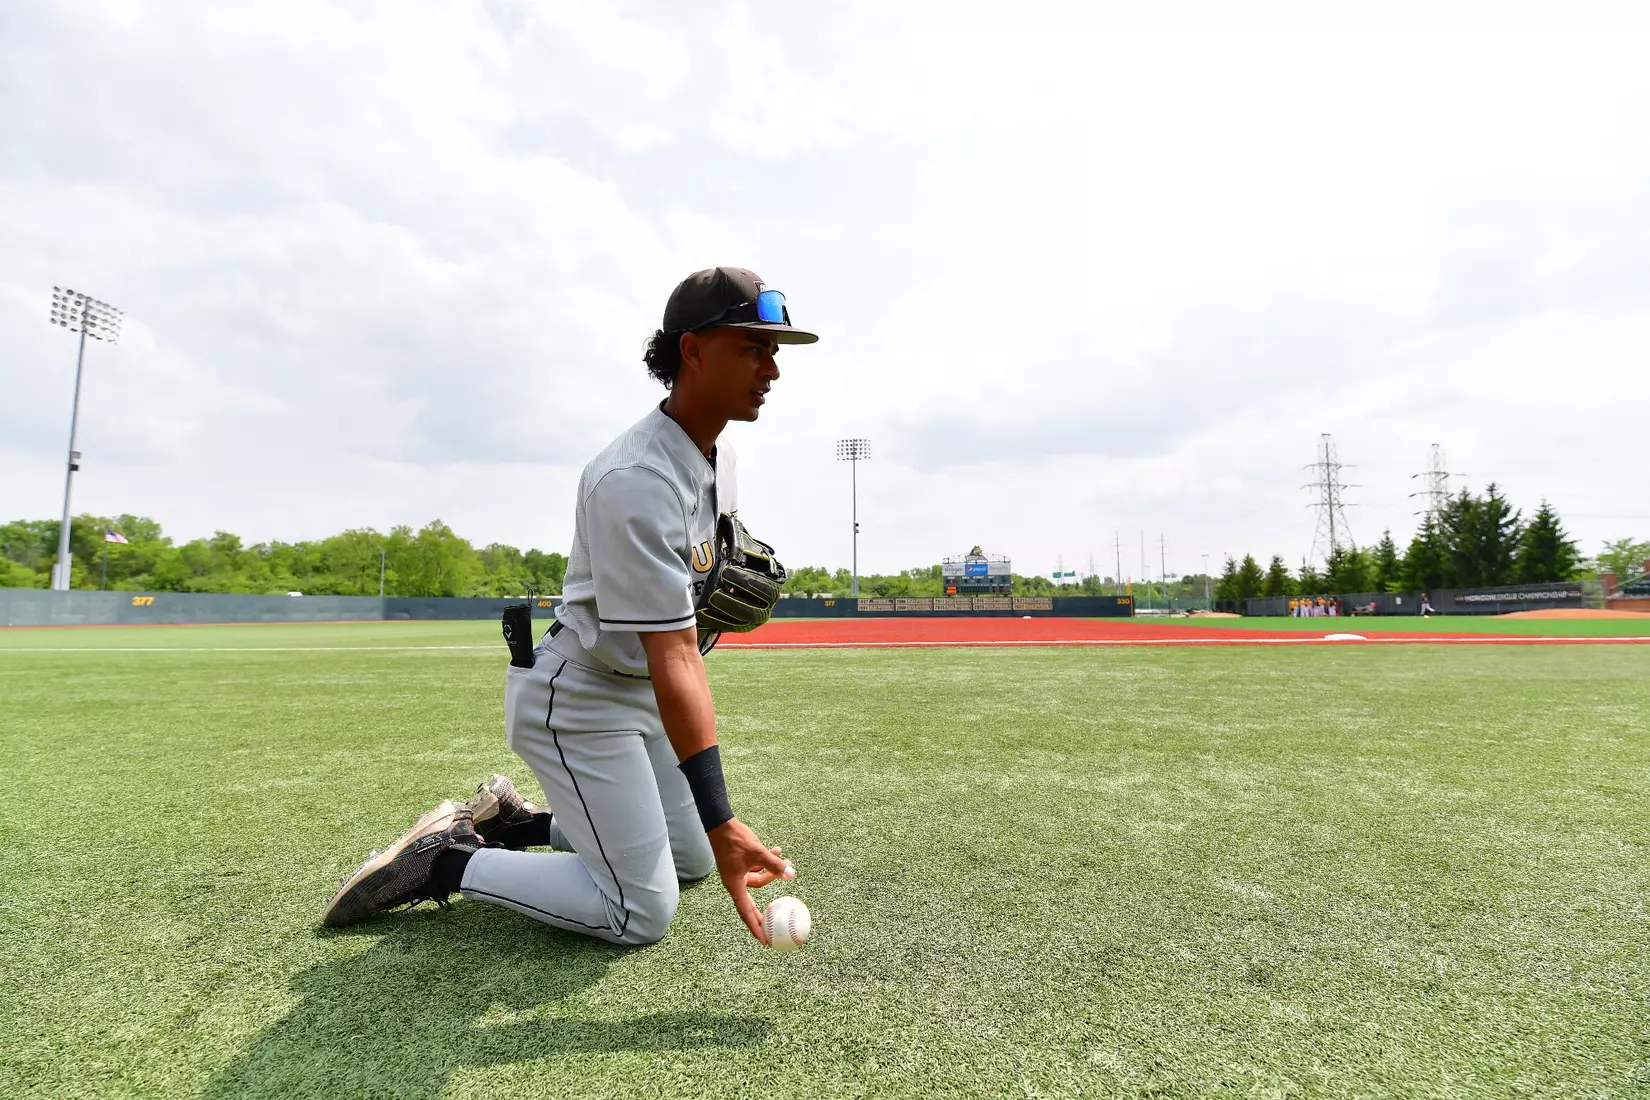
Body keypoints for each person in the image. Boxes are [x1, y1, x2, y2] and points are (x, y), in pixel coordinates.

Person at [322, 267, 817, 946]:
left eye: (774, 351)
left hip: (636, 690)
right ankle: (449, 859)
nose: (772, 368)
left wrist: (715, 825)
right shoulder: (634, 479)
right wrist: (724, 814)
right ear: (693, 350)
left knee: (693, 859)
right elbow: (673, 653)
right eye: (753, 347)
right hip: (579, 701)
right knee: (641, 912)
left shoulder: (717, 456)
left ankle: (519, 824)